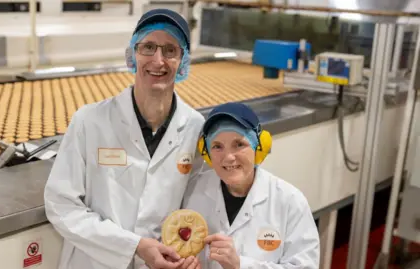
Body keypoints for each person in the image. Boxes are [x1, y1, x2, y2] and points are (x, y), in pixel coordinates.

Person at [44, 8, 205, 269]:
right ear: (133, 55)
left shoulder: (196, 128)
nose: (158, 60)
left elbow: (196, 210)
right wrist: (135, 247)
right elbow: (60, 204)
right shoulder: (89, 121)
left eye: (170, 50)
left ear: (183, 61)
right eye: (148, 47)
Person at [180, 102, 320, 269]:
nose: (229, 157)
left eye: (239, 144)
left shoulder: (289, 202)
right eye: (217, 146)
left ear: (259, 147)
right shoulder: (192, 190)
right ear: (207, 153)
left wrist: (240, 265)